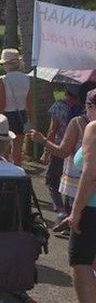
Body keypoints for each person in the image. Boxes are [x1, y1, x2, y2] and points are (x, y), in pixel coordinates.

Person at [29, 84, 96, 234]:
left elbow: (62, 150)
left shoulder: (78, 122)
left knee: (52, 181)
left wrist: (43, 141)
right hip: (85, 183)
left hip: (76, 181)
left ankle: (62, 213)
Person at [66, 92, 96, 302]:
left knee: (80, 262)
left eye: (86, 105)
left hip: (92, 207)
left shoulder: (93, 128)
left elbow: (90, 174)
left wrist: (75, 212)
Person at [43, 85, 82, 223]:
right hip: (77, 151)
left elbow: (52, 131)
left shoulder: (58, 106)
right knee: (71, 182)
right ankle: (69, 212)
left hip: (58, 147)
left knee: (52, 180)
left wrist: (46, 152)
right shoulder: (84, 108)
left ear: (66, 91)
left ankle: (60, 211)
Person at [0, 48, 32, 166]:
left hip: (7, 114)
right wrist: (30, 118)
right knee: (18, 148)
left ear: (7, 64)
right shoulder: (27, 78)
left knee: (5, 148)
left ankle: (5, 170)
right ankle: (18, 171)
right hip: (21, 114)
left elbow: (1, 103)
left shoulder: (3, 80)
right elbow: (29, 102)